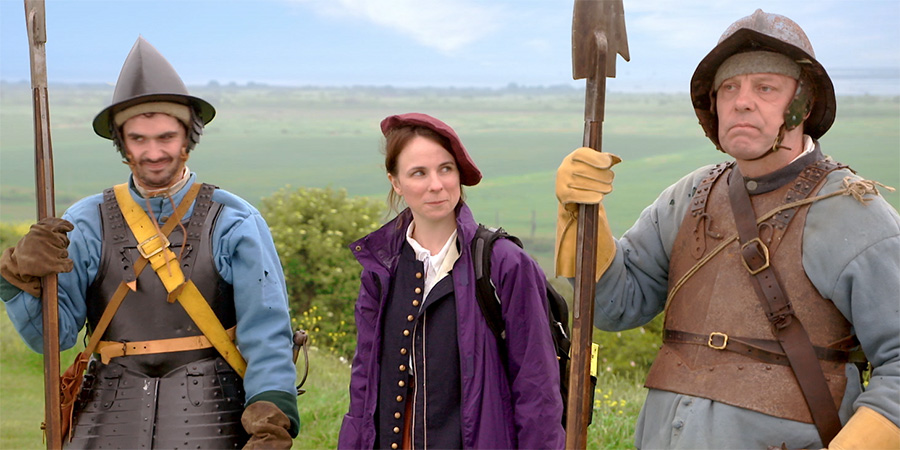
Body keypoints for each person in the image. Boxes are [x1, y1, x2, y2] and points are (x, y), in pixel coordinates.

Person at [554, 9, 900, 450]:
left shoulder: (854, 212)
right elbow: (614, 306)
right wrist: (580, 215)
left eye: (766, 88)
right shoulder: (690, 195)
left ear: (803, 104)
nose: (742, 101)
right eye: (729, 88)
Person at [0, 37, 299, 448]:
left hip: (211, 419)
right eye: (138, 139)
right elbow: (52, 338)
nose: (154, 152)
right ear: (121, 143)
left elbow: (266, 334)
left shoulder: (234, 220)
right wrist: (14, 278)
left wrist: (272, 420)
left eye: (166, 137)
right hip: (106, 420)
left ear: (187, 137)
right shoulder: (84, 222)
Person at [337, 113, 564, 449]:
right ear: (395, 183)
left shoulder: (505, 264)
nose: (436, 185)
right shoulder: (380, 268)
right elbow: (364, 383)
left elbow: (538, 390)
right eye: (418, 173)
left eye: (446, 168)